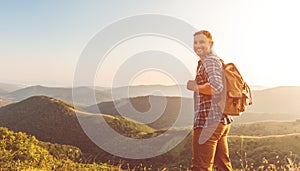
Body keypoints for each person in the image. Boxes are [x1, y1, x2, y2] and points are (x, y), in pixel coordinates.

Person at [186, 30, 233, 171]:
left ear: (211, 44)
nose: (197, 45)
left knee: (200, 167)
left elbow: (216, 86)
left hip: (208, 122)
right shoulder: (214, 60)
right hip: (220, 121)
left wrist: (195, 86)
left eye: (202, 42)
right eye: (195, 42)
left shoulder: (210, 61)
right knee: (223, 166)